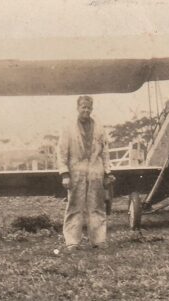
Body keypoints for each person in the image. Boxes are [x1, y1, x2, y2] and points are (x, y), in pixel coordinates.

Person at [57, 95, 115, 251]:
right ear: (78, 108)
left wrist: (107, 172)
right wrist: (65, 174)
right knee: (74, 206)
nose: (86, 110)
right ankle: (72, 242)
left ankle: (99, 240)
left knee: (97, 206)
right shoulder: (68, 128)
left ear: (92, 109)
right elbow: (62, 152)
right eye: (83, 107)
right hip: (76, 172)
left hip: (95, 172)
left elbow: (105, 151)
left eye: (89, 107)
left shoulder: (99, 127)